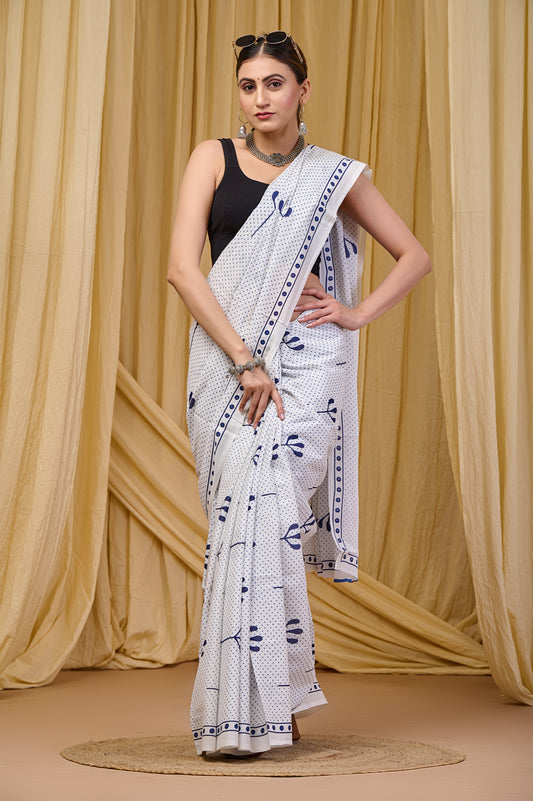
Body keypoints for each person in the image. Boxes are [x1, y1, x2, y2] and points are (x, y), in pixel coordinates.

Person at [167, 31, 431, 758]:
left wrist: (355, 313)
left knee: (270, 514)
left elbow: (413, 255)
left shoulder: (332, 175)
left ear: (302, 91)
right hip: (228, 361)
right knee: (239, 524)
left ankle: (260, 708)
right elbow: (183, 270)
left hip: (309, 365)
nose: (260, 98)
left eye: (275, 83)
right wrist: (244, 359)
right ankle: (250, 706)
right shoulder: (212, 158)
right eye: (248, 85)